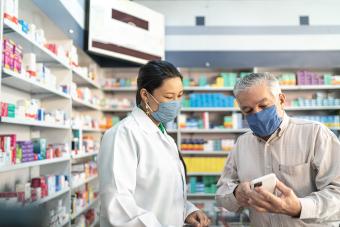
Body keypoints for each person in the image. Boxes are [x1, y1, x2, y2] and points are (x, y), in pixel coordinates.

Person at [216, 72, 340, 226]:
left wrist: (300, 207)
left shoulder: (315, 134)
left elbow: (337, 192)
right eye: (248, 110)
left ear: (281, 100)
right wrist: (236, 193)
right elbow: (221, 192)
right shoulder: (242, 144)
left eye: (263, 106)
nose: (257, 114)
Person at [98, 60, 210, 227]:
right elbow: (117, 205)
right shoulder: (123, 134)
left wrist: (187, 210)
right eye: (168, 97)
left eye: (179, 96)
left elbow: (164, 192)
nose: (175, 104)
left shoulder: (165, 137)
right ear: (145, 95)